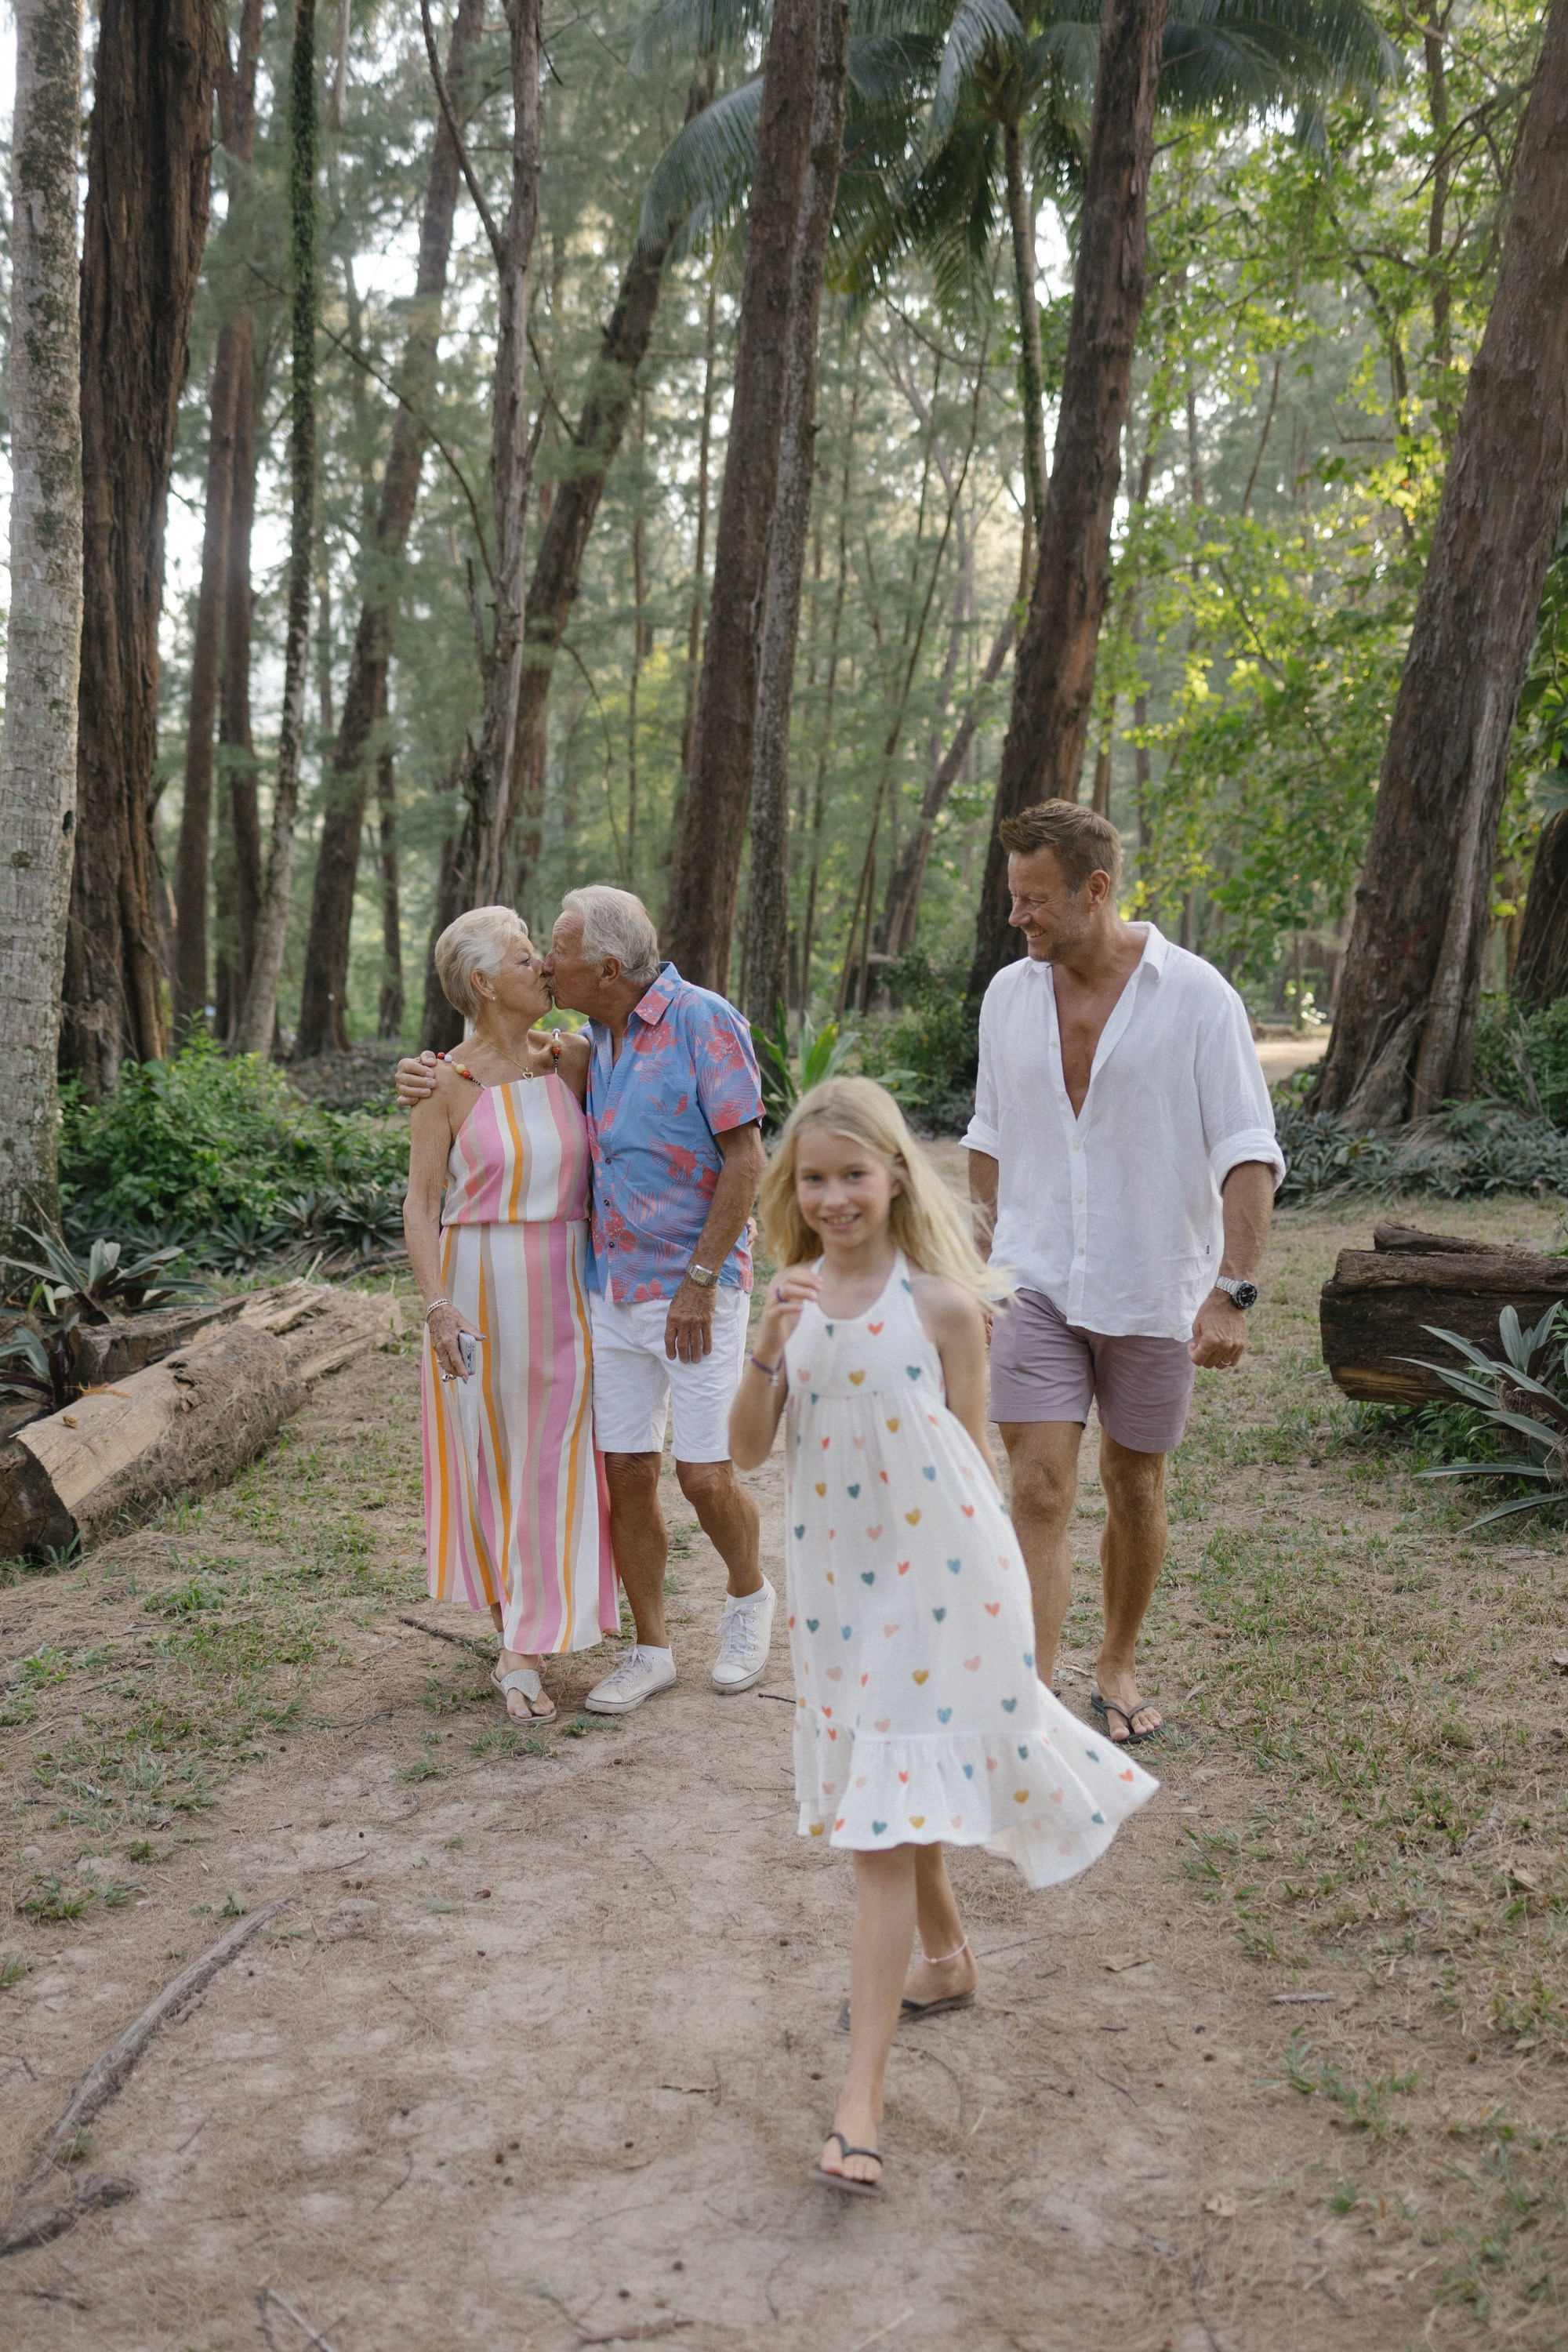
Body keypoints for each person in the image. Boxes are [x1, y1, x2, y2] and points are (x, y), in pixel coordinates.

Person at [731, 1077, 1157, 2195]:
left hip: (938, 1582)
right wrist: (768, 1347)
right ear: (792, 1189)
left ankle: (858, 2105)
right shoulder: (787, 1300)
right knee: (888, 1782)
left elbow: (967, 1459)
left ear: (894, 1179)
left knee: (881, 1818)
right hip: (838, 1587)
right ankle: (951, 1959)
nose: (833, 1198)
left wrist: (998, 1601)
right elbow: (739, 1451)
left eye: (852, 1176)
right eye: (813, 1179)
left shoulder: (945, 1309)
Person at [398, 885, 773, 1711]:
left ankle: (748, 1599)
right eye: (528, 952)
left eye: (551, 948)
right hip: (558, 1293)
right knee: (608, 1470)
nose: (543, 961)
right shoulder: (527, 1060)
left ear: (602, 965)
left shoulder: (634, 1037)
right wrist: (421, 1069)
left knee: (694, 1475)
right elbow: (426, 1189)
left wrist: (702, 1280)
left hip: (644, 1288)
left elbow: (745, 1157)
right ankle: (625, 1645)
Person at [964, 800, 1284, 1745]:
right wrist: (980, 1266)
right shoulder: (1006, 996)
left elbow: (1246, 1150)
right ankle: (1026, 1694)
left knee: (1134, 1483)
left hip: (1152, 1284)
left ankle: (1115, 1660)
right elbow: (987, 1136)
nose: (1016, 917)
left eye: (1033, 900)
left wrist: (1231, 1291)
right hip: (1034, 1278)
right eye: (1011, 898)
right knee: (1036, 1487)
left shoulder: (1195, 997)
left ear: (1094, 890)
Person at [404, 906, 615, 1722]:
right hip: (478, 1287)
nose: (544, 970)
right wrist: (437, 1309)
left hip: (565, 1286)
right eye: (527, 959)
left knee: (556, 1462)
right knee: (490, 1459)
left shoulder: (570, 1060)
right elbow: (421, 1206)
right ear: (486, 984)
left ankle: (531, 1633)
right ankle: (515, 1642)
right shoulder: (443, 1084)